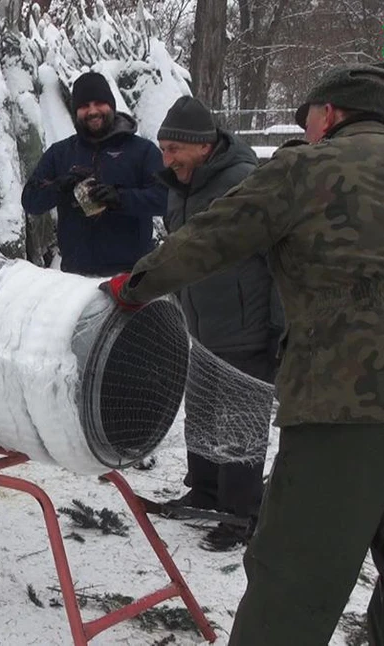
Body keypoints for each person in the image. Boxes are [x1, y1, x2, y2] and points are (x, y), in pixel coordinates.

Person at [103, 63, 384, 645]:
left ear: (329, 114)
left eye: (308, 115)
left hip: (349, 406)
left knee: (292, 582)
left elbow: (213, 236)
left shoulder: (307, 169)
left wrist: (134, 285)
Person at [154, 96, 282, 551]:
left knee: (242, 422)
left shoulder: (245, 183)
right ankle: (205, 489)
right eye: (163, 149)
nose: (167, 159)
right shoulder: (180, 186)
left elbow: (278, 259)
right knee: (203, 411)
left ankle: (240, 514)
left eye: (174, 149)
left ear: (204, 146)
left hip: (245, 327)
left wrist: (277, 328)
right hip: (201, 327)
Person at [20, 71, 166, 277]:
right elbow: (30, 201)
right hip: (75, 279)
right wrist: (60, 187)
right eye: (84, 106)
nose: (92, 111)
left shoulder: (142, 151)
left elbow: (165, 199)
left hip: (132, 278)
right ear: (75, 111)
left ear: (112, 106)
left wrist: (120, 198)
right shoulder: (60, 153)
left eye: (99, 103)